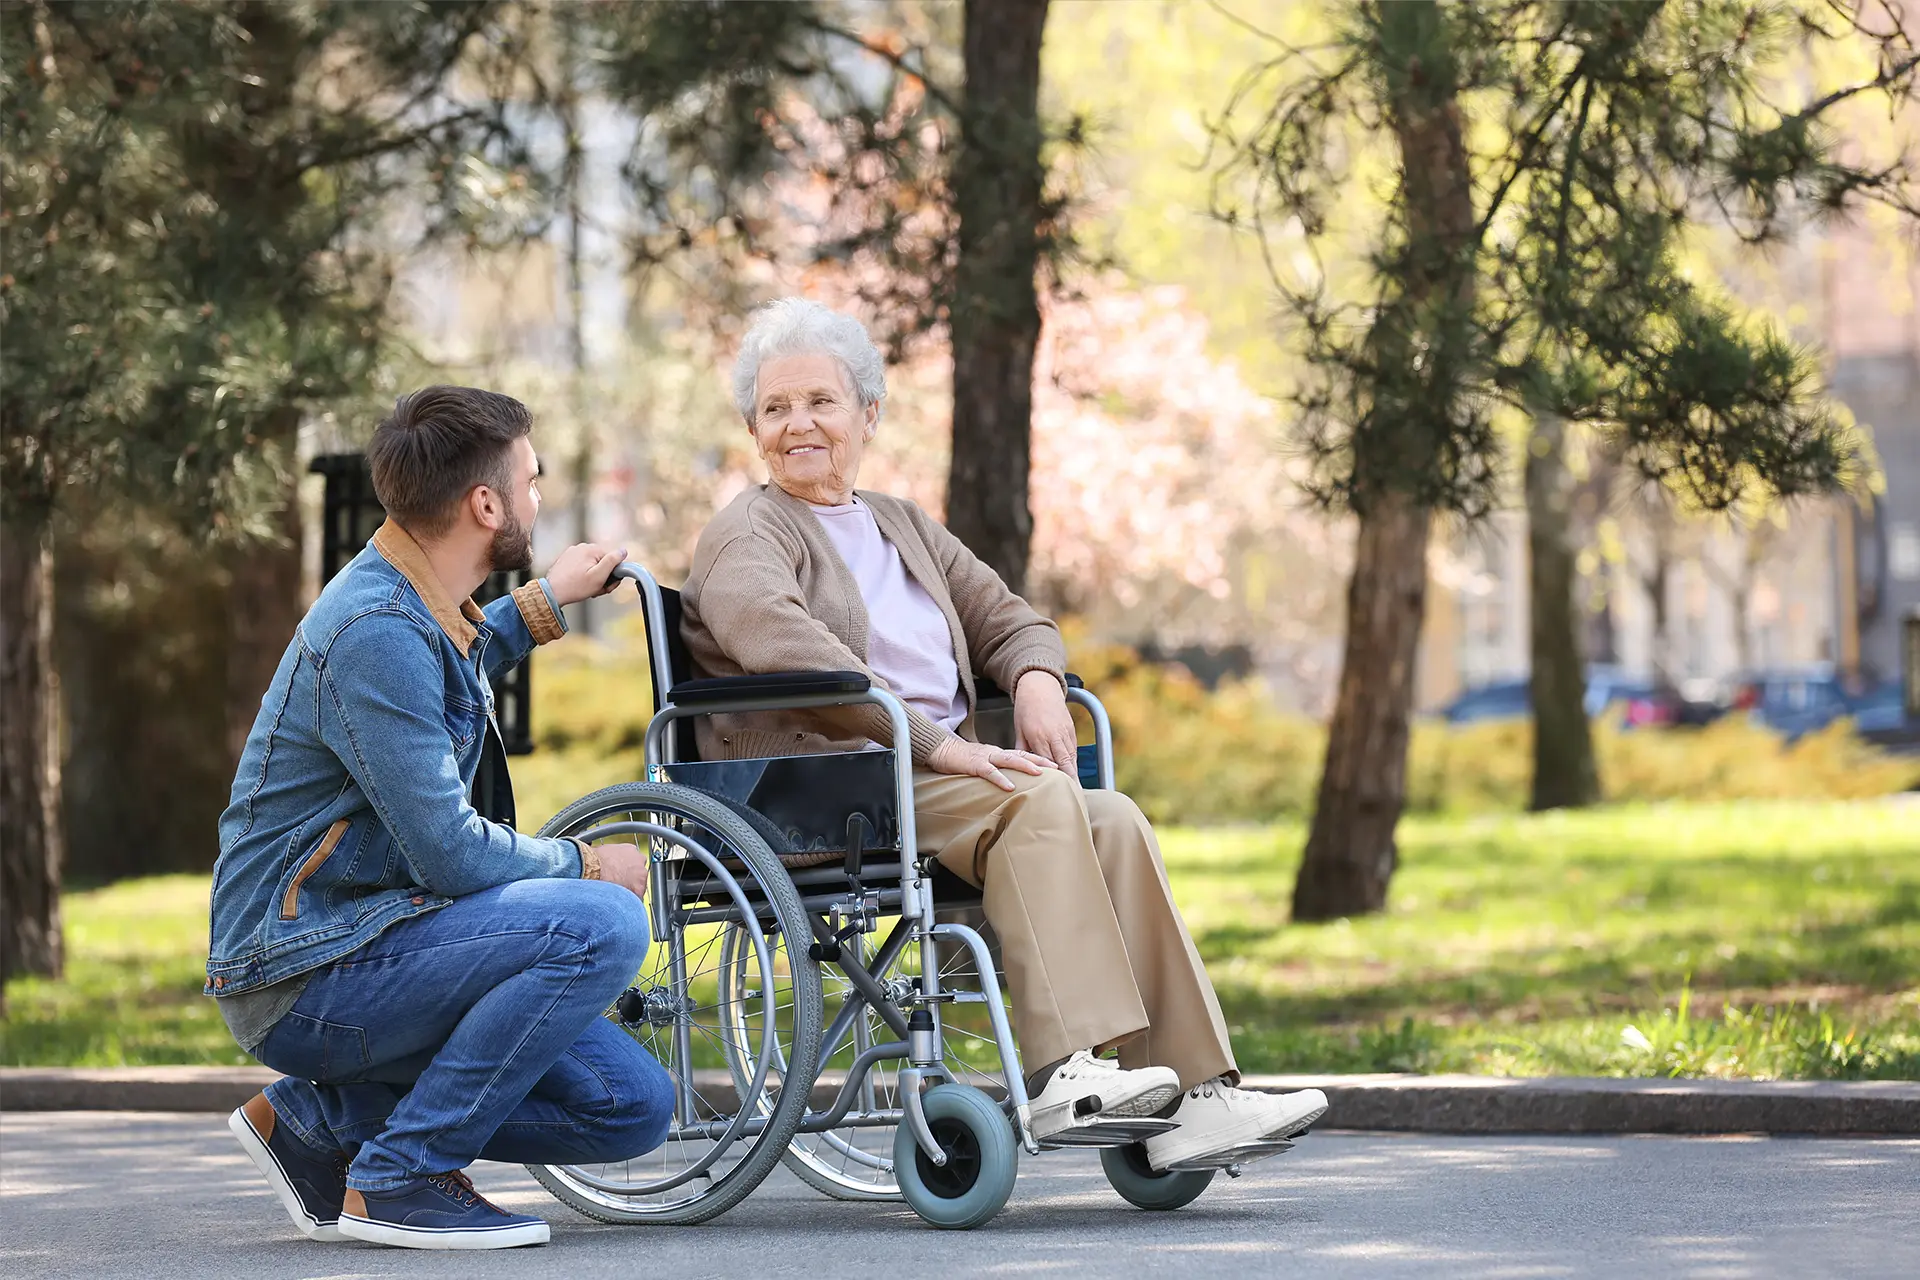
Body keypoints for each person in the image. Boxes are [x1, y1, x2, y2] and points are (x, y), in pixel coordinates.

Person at [679, 299, 1328, 1172]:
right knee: (1038, 803)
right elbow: (792, 653)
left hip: (926, 774)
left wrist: (1035, 683)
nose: (799, 424)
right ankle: (1068, 1071)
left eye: (821, 402)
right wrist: (936, 743)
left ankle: (1197, 1093)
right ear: (754, 428)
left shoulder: (900, 523)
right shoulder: (745, 536)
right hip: (826, 786)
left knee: (1115, 819)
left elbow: (1008, 616)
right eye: (776, 407)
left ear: (868, 414)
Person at [206, 386, 670, 1250]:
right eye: (530, 481)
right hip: (304, 971)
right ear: (485, 504)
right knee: (600, 923)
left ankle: (319, 1121)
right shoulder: (375, 627)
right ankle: (400, 1176)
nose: (537, 498)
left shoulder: (412, 605)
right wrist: (584, 865)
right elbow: (453, 855)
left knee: (631, 1109)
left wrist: (547, 600)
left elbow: (452, 661)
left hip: (377, 940)